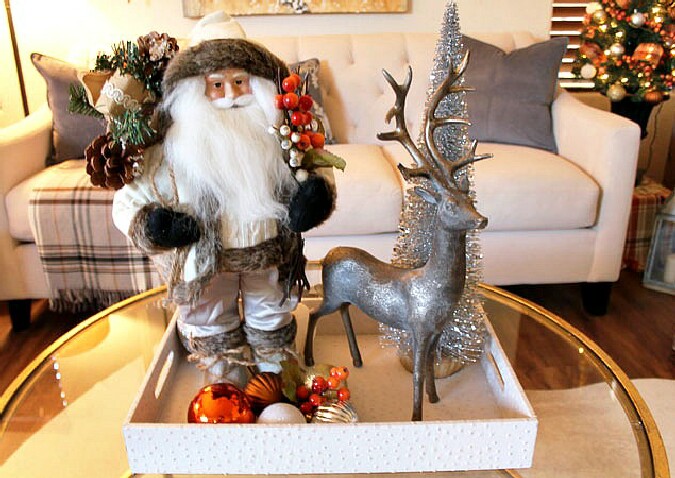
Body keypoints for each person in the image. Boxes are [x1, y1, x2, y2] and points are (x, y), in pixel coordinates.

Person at [112, 13, 335, 380]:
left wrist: (315, 197)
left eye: (239, 82)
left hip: (269, 248)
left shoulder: (282, 134)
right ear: (195, 89)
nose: (231, 96)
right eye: (217, 85)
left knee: (271, 303)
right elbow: (128, 199)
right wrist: (152, 225)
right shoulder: (172, 146)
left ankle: (274, 364)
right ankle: (223, 367)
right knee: (209, 311)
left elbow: (314, 167)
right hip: (205, 256)